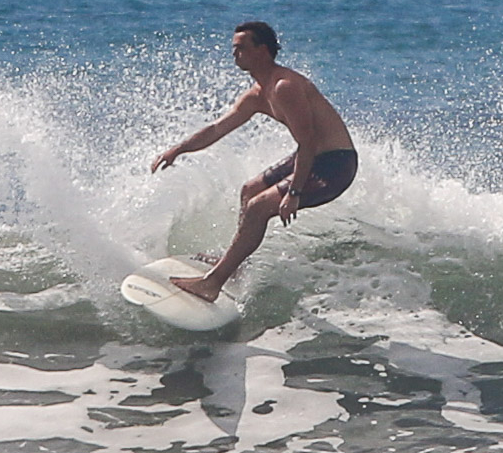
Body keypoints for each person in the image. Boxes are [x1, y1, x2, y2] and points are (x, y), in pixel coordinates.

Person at [150, 21, 357, 302]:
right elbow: (216, 129)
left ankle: (212, 283)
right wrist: (178, 149)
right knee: (249, 191)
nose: (235, 54)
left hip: (335, 164)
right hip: (312, 157)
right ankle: (236, 266)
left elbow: (307, 142)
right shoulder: (258, 94)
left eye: (241, 48)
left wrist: (294, 193)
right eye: (233, 49)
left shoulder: (285, 86)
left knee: (259, 207)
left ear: (262, 50)